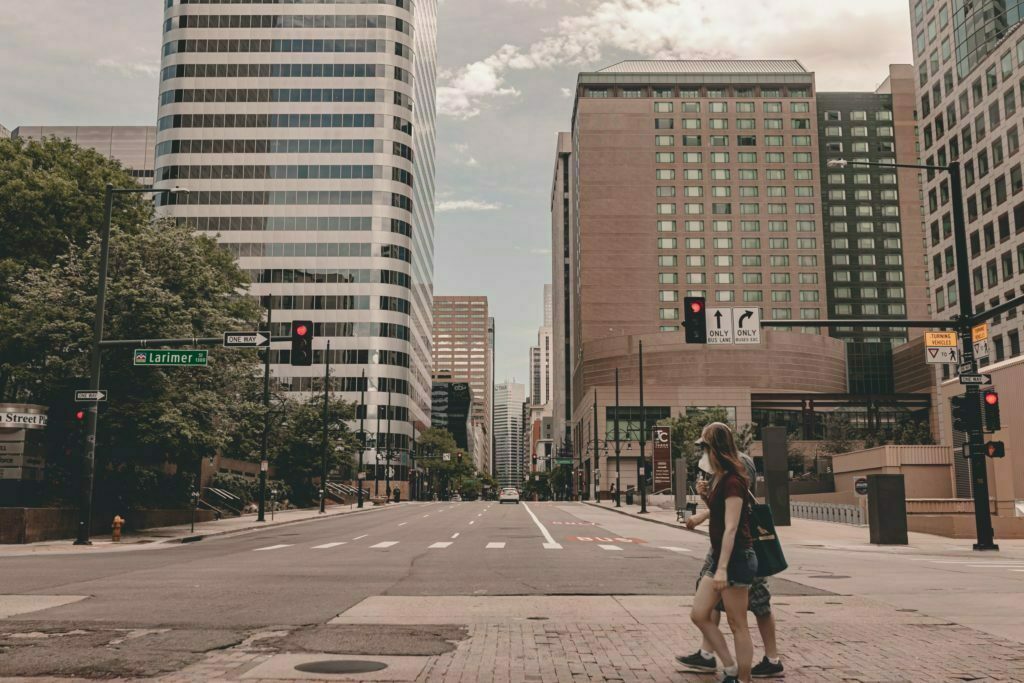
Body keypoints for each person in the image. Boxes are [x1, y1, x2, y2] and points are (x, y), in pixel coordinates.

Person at [678, 443, 784, 678]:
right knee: (710, 601)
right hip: (724, 544)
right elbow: (724, 507)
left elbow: (737, 506)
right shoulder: (722, 466)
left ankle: (768, 660)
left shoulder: (739, 464)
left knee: (757, 603)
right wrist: (706, 499)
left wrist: (703, 515)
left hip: (741, 545)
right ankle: (708, 654)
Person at [678, 422, 757, 683]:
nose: (703, 454)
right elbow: (721, 515)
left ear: (716, 448)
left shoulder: (734, 480)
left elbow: (732, 527)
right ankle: (731, 666)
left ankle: (742, 678)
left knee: (737, 624)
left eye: (705, 448)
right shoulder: (721, 477)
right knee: (699, 614)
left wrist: (722, 567)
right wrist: (705, 497)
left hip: (736, 559)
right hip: (722, 558)